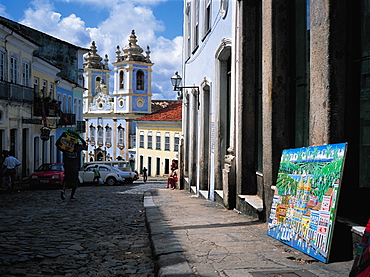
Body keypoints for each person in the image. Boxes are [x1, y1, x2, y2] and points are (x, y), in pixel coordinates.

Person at [56, 131, 87, 200]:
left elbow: (57, 144)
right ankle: (72, 196)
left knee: (66, 180)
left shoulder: (66, 149)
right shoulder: (78, 148)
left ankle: (63, 190)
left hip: (67, 167)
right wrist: (79, 137)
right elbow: (84, 144)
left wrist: (62, 136)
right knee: (75, 182)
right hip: (75, 168)